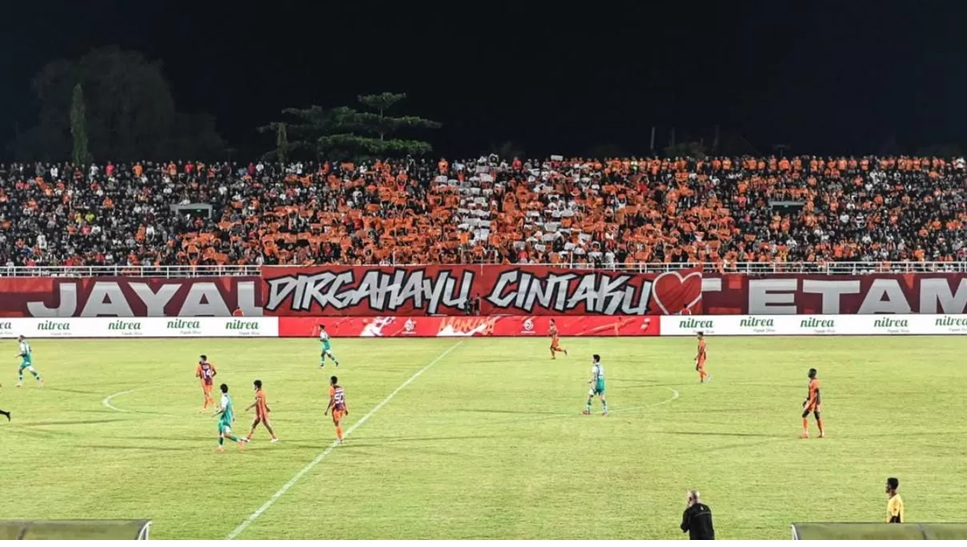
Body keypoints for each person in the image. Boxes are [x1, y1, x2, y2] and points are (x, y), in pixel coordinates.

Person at [213, 384, 248, 451]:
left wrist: (216, 413)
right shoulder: (228, 396)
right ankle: (220, 447)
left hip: (225, 418)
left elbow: (223, 409)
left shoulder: (224, 398)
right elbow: (231, 406)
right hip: (225, 417)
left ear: (221, 390)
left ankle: (240, 441)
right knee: (220, 431)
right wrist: (233, 415)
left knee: (226, 434)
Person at [800, 368, 824, 438]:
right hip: (813, 401)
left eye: (809, 372)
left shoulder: (814, 382)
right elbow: (810, 392)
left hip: (813, 402)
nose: (808, 373)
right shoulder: (812, 381)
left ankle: (806, 433)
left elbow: (817, 392)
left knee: (804, 415)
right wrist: (807, 399)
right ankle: (822, 433)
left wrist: (811, 403)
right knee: (817, 416)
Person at [324, 375, 349, 444]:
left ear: (332, 381)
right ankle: (339, 437)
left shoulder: (332, 388)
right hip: (342, 408)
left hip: (336, 409)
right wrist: (346, 408)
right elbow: (343, 398)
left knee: (337, 424)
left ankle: (340, 439)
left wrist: (327, 409)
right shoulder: (340, 388)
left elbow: (332, 399)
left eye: (330, 380)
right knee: (336, 423)